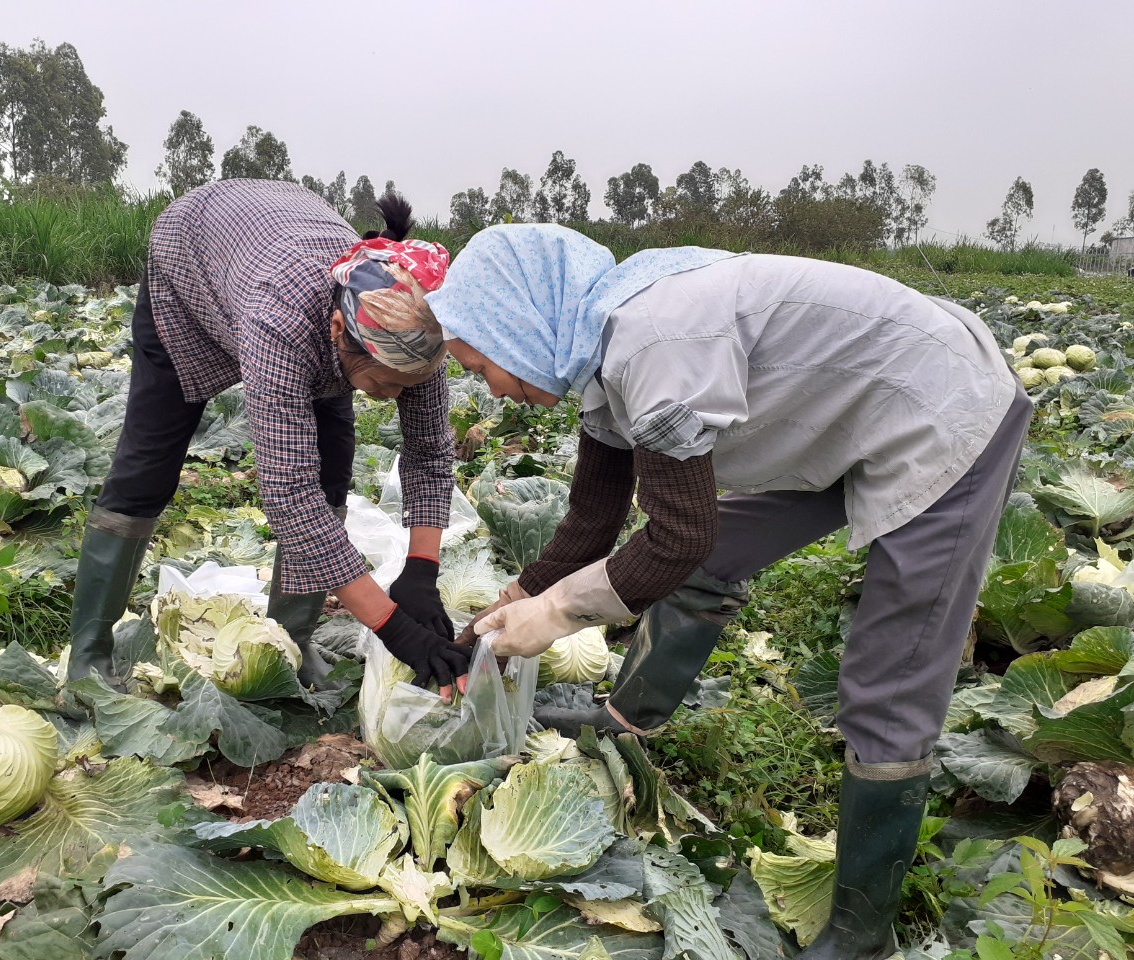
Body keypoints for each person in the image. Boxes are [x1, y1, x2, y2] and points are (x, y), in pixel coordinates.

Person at [427, 224, 1031, 960]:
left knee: (892, 675)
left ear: (516, 324)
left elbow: (676, 538)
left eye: (479, 363)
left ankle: (860, 933)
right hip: (846, 417)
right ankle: (627, 719)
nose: (488, 387)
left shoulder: (653, 345)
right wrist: (518, 591)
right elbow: (594, 514)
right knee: (716, 550)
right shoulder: (595, 342)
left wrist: (555, 614)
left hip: (940, 410)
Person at [66, 180, 471, 698]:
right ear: (337, 329)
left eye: (406, 384)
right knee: (149, 465)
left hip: (280, 259)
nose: (393, 396)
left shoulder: (413, 325)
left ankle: (291, 642)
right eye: (386, 382)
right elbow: (287, 493)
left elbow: (430, 456)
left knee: (332, 470)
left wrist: (421, 572)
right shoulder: (280, 318)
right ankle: (89, 651)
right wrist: (394, 627)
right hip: (190, 266)